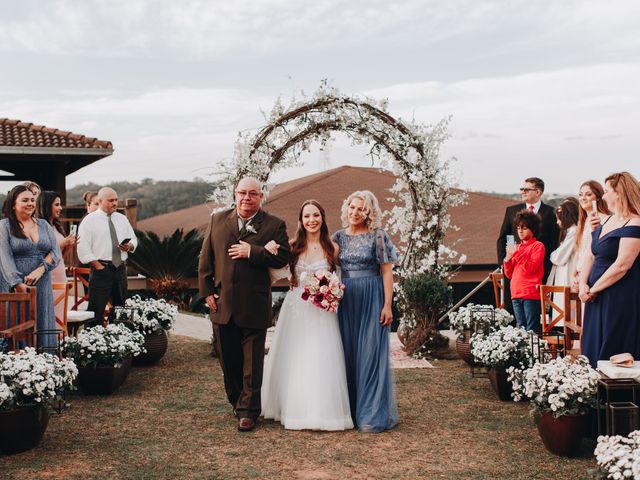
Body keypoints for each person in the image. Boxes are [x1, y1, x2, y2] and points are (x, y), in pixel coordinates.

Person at [198, 177, 290, 432]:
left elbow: (283, 256)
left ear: (261, 197)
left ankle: (249, 411)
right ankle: (238, 400)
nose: (246, 198)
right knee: (229, 361)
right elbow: (206, 258)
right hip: (222, 303)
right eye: (242, 193)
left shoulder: (274, 225)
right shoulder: (218, 220)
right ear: (234, 194)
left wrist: (253, 251)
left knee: (252, 363)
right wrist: (206, 291)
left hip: (255, 303)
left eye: (252, 194)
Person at [261, 200, 353, 431]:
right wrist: (269, 251)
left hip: (323, 312)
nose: (311, 220)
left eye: (315, 215)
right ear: (301, 221)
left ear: (322, 217)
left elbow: (339, 279)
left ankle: (322, 411)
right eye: (306, 216)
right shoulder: (292, 247)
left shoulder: (332, 248)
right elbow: (274, 274)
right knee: (296, 356)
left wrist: (331, 291)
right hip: (297, 309)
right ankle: (293, 409)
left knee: (322, 356)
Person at [332, 190, 398, 433]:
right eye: (352, 207)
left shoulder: (378, 236)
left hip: (372, 296)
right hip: (346, 299)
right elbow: (326, 264)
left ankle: (370, 414)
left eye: (361, 208)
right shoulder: (338, 237)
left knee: (370, 354)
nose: (355, 212)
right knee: (347, 352)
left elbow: (386, 271)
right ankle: (348, 410)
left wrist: (387, 304)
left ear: (369, 212)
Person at [580, 172, 640, 368]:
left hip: (618, 293)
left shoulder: (635, 222)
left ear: (620, 193)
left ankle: (613, 393)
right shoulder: (605, 221)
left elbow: (623, 264)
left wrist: (594, 288)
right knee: (592, 338)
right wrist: (582, 284)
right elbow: (591, 254)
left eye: (606, 191)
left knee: (612, 338)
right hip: (594, 294)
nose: (603, 197)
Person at [0, 185, 61, 349]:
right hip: (15, 284)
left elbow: (55, 253)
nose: (30, 203)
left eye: (32, 200)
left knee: (43, 318)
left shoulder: (43, 225)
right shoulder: (4, 226)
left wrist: (41, 269)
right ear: (13, 204)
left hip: (42, 281)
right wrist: (17, 284)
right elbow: (4, 257)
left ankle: (46, 364)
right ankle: (20, 366)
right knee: (19, 324)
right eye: (25, 200)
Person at [77, 187, 137, 327]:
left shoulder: (122, 218)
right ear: (100, 201)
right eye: (111, 200)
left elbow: (134, 239)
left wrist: (129, 246)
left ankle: (120, 341)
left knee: (120, 309)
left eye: (116, 200)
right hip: (101, 269)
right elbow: (83, 247)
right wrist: (98, 266)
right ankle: (93, 345)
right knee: (95, 311)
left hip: (120, 268)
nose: (115, 203)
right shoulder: (89, 220)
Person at [497, 177, 560, 311]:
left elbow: (554, 243)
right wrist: (504, 262)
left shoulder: (551, 213)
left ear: (538, 192)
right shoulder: (512, 211)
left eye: (526, 189)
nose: (523, 192)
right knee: (512, 311)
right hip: (513, 271)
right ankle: (512, 333)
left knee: (535, 313)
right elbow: (504, 238)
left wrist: (547, 268)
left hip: (537, 273)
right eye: (522, 189)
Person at [37, 191, 79, 322]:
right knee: (49, 316)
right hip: (48, 276)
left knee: (60, 314)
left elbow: (59, 257)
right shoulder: (38, 227)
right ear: (46, 206)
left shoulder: (56, 226)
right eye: (57, 204)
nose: (60, 208)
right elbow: (41, 254)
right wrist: (63, 243)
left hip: (60, 274)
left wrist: (68, 247)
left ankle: (59, 341)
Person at [503, 209, 545, 332]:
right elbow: (509, 274)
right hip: (516, 292)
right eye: (518, 228)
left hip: (530, 293)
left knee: (532, 329)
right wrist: (507, 258)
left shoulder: (538, 246)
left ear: (533, 229)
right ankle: (522, 352)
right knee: (520, 327)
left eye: (524, 228)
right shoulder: (517, 247)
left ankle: (534, 351)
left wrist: (516, 253)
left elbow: (530, 269)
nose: (520, 231)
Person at [573, 180, 610, 291]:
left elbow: (596, 251)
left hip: (593, 274)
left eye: (588, 194)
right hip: (580, 275)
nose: (583, 198)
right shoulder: (582, 221)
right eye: (580, 195)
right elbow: (578, 250)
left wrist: (583, 278)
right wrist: (573, 275)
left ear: (598, 197)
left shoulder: (604, 219)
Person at [547, 198, 579, 324]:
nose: (557, 222)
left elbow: (558, 257)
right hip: (564, 273)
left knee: (569, 314)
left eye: (559, 218)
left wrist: (553, 253)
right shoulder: (569, 232)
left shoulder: (574, 231)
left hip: (568, 273)